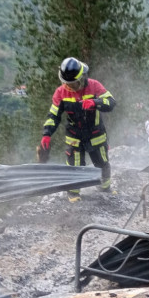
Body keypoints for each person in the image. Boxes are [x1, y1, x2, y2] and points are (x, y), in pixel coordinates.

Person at [37, 57, 116, 202]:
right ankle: (73, 193)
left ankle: (105, 187)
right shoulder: (61, 93)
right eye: (67, 83)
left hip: (96, 135)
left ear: (82, 77)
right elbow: (53, 115)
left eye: (73, 83)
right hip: (74, 137)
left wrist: (94, 102)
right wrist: (47, 134)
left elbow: (111, 102)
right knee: (74, 166)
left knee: (102, 163)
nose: (71, 87)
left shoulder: (94, 86)